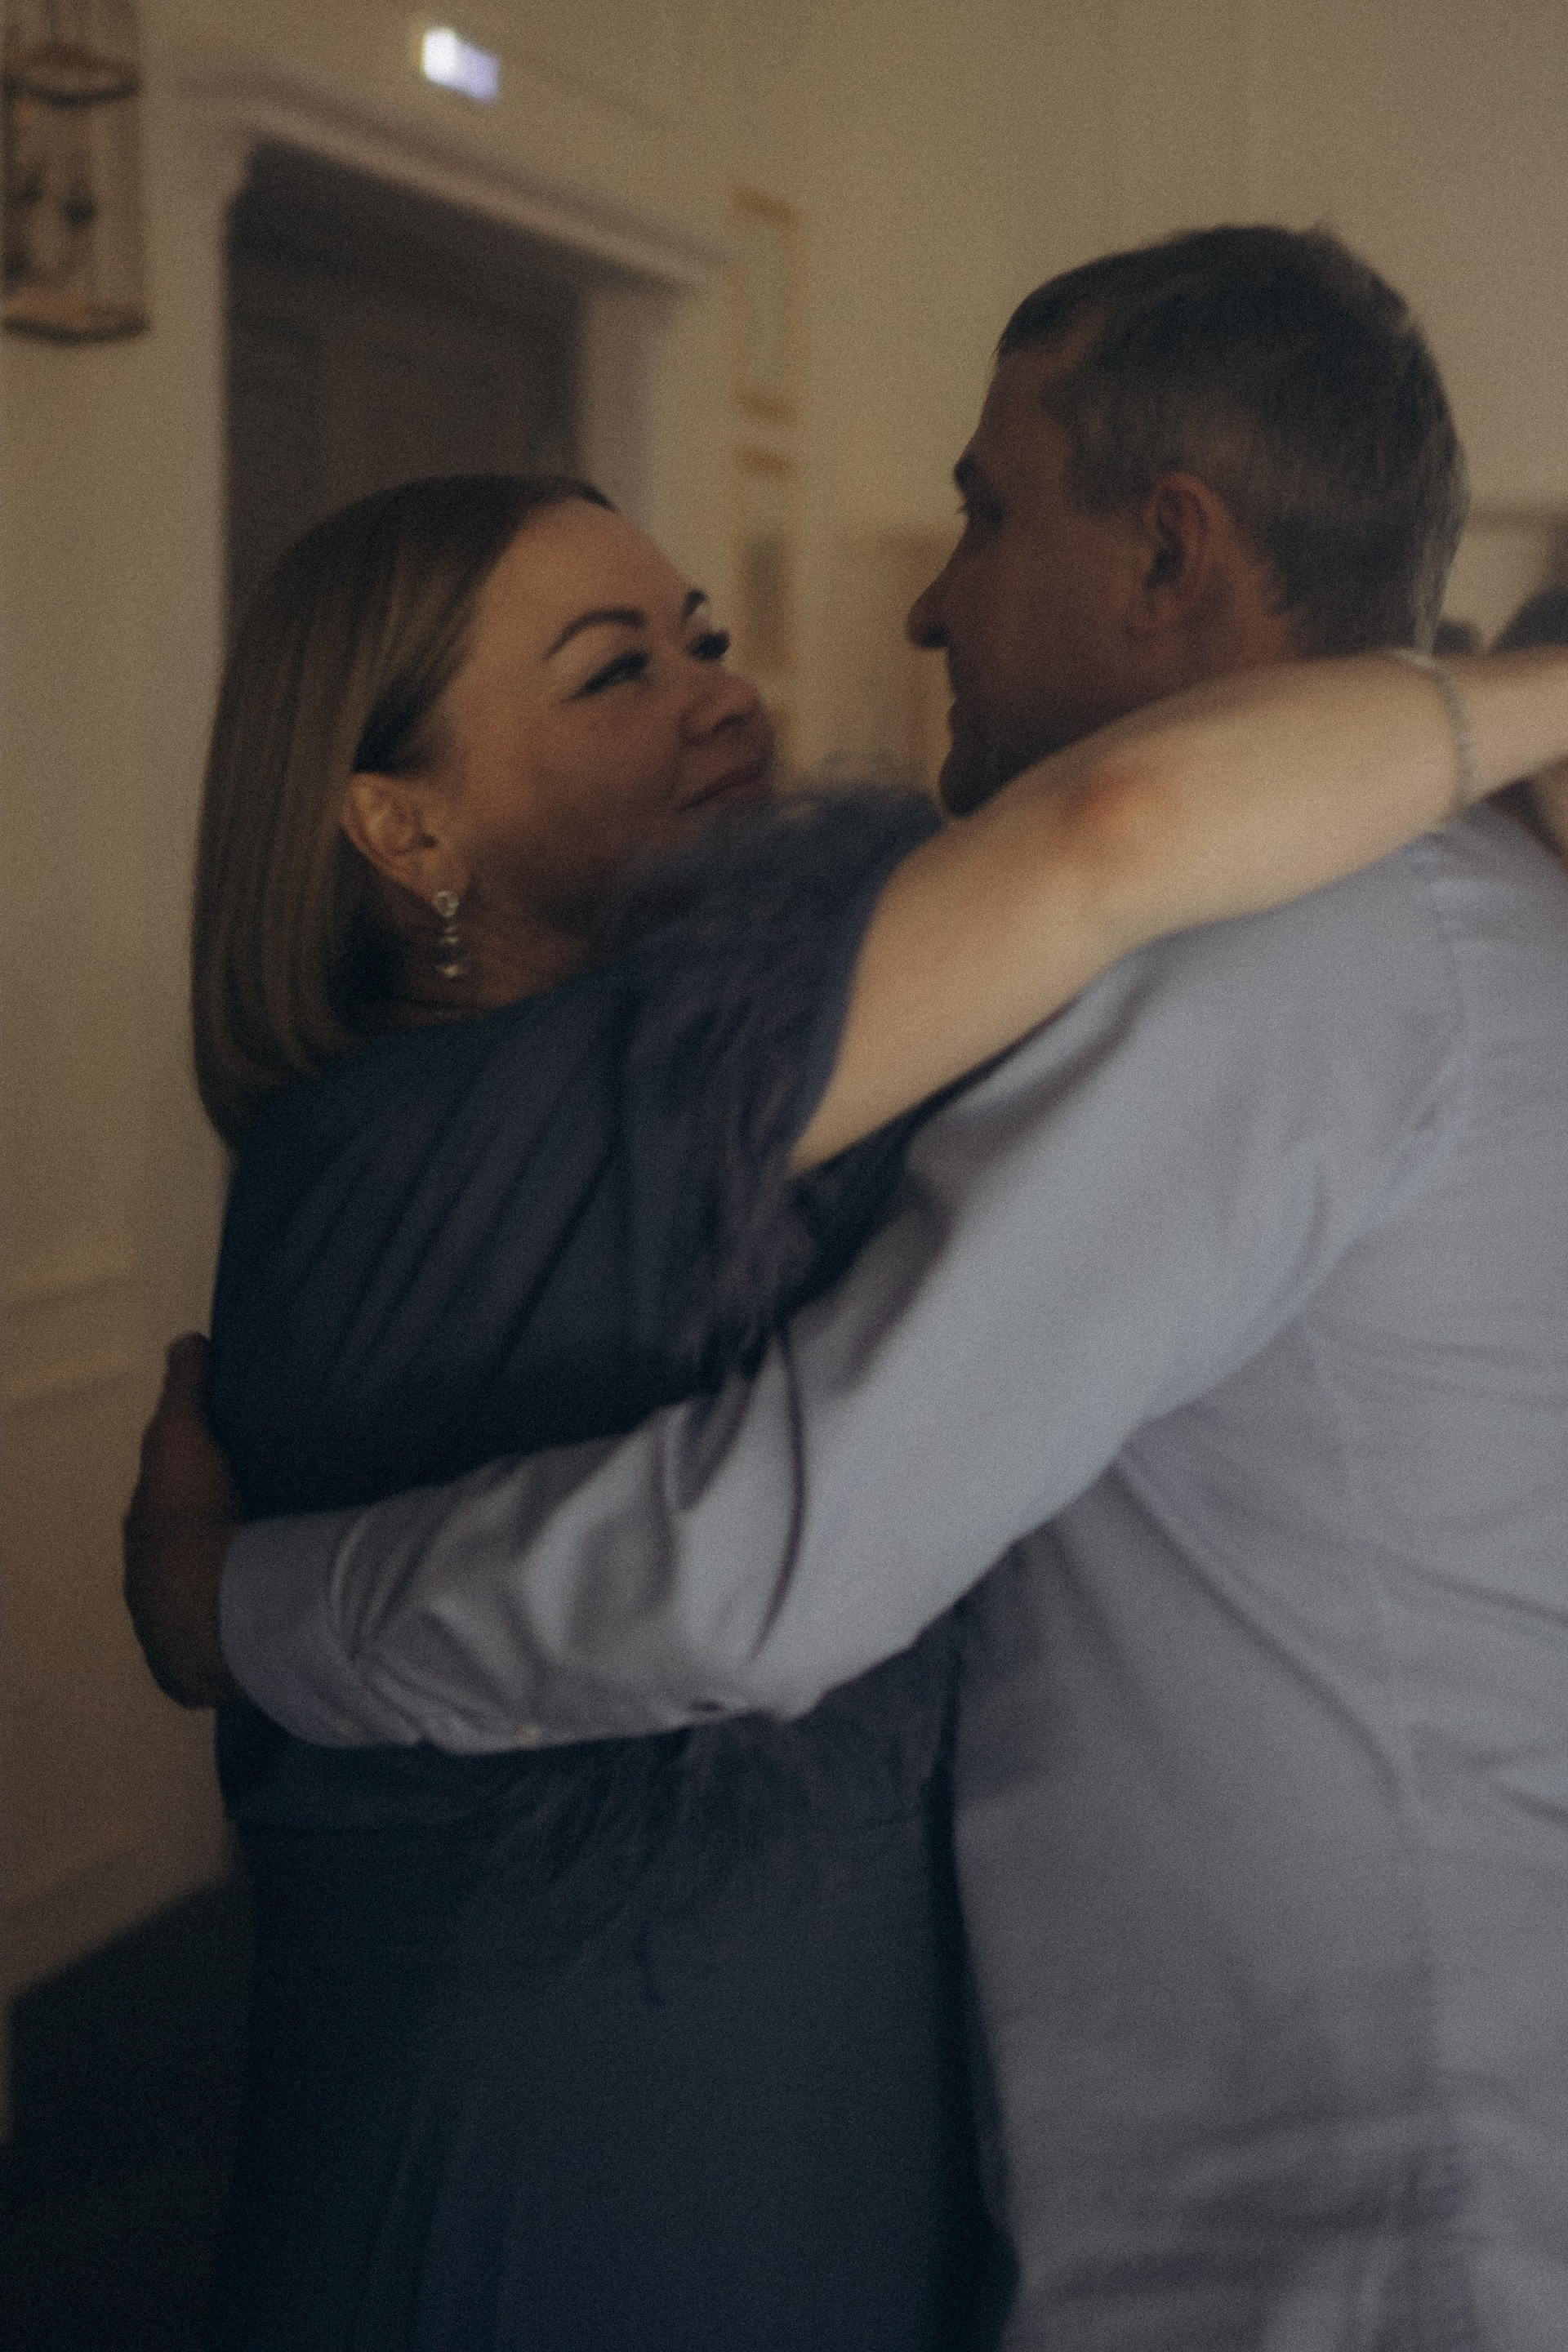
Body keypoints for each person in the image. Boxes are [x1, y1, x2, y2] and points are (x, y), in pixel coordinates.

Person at [127, 226, 1568, 2347]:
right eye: (616, 669)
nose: (917, 602)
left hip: (1339, 2200)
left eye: (985, 512)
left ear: (1169, 549)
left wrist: (227, 1608)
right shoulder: (504, 1120)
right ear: (394, 828)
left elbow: (757, 1568)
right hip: (630, 2122)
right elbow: (1090, 852)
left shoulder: (1282, 947)